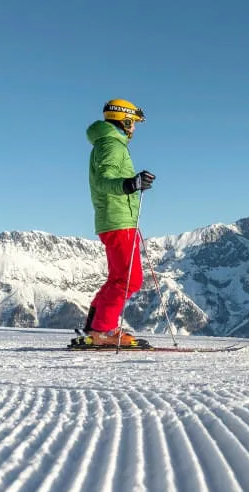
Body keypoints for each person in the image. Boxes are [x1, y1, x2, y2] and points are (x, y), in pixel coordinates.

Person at [79, 98, 156, 346]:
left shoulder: (109, 143)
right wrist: (129, 184)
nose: (134, 128)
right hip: (118, 220)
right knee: (129, 280)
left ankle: (95, 327)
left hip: (117, 218)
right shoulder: (112, 145)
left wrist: (134, 184)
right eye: (133, 123)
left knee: (117, 278)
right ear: (124, 120)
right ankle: (104, 332)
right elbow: (104, 179)